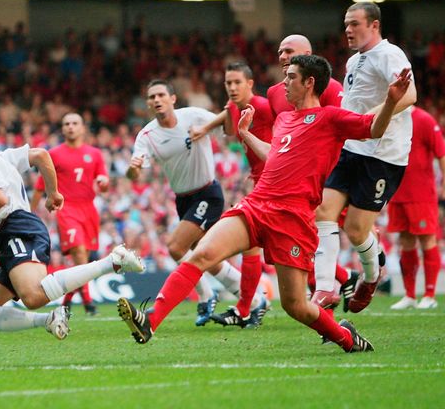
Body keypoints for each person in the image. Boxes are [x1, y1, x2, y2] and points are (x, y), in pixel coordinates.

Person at [118, 54, 411, 352]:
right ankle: (150, 320)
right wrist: (244, 133)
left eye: (291, 77)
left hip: (292, 218)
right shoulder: (284, 118)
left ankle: (346, 337)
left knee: (296, 306)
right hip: (257, 204)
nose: (284, 82)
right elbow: (275, 154)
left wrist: (390, 102)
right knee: (201, 254)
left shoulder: (330, 118)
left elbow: (373, 128)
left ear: (310, 83)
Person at [0, 134, 143, 339]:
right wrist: (53, 192)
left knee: (32, 296)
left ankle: (112, 262)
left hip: (16, 227)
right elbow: (41, 155)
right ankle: (50, 319)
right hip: (9, 237)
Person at [314, 2, 417, 313]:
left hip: (383, 155)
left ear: (374, 25)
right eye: (346, 23)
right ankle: (324, 288)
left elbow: (409, 96)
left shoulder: (389, 54)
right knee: (323, 212)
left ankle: (371, 277)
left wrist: (368, 120)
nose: (348, 29)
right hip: (352, 149)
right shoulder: (354, 60)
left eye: (355, 23)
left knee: (357, 230)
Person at [127, 79, 254, 327]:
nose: (156, 100)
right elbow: (135, 171)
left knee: (175, 247)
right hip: (183, 199)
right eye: (152, 97)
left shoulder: (194, 116)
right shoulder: (147, 135)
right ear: (148, 104)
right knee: (209, 258)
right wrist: (133, 170)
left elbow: (227, 128)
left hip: (208, 193)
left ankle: (206, 295)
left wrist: (222, 115)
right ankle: (254, 299)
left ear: (173, 99)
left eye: (161, 95)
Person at [267, 34, 357, 312]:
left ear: (308, 54)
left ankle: (336, 281)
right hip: (295, 181)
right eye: (280, 51)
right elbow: (282, 140)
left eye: (289, 51)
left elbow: (345, 127)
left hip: (329, 174)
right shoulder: (274, 94)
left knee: (341, 228)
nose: (283, 56)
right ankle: (337, 282)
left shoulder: (328, 87)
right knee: (304, 240)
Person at [192, 62, 274, 328]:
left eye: (237, 82)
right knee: (254, 245)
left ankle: (339, 281)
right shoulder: (235, 107)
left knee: (265, 245)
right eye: (228, 83)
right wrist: (206, 128)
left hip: (276, 181)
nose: (232, 87)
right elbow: (227, 118)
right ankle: (246, 307)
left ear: (250, 83)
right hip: (260, 181)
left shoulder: (262, 106)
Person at [30, 112, 109, 316]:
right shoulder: (54, 154)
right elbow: (40, 187)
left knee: (84, 260)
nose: (71, 127)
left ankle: (66, 302)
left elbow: (104, 182)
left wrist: (104, 183)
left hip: (89, 209)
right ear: (62, 129)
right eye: (66, 124)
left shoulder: (95, 154)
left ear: (82, 128)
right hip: (67, 209)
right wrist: (30, 213)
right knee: (80, 252)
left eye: (75, 123)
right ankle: (89, 304)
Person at [388, 106, 444, 310]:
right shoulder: (390, 117)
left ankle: (429, 294)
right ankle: (409, 295)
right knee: (405, 241)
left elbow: (441, 152)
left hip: (421, 194)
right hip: (397, 192)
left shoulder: (424, 119)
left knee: (427, 238)